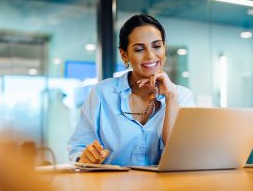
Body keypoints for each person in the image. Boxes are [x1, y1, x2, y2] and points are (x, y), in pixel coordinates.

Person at [67, 14, 195, 166]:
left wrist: (171, 96)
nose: (150, 55)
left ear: (164, 49)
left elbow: (182, 154)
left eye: (157, 46)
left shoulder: (181, 95)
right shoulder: (102, 93)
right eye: (140, 49)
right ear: (124, 55)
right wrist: (85, 157)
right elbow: (78, 148)